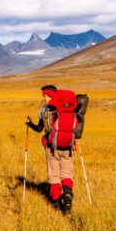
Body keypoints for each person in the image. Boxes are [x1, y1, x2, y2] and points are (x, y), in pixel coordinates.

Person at [25, 84, 75, 212]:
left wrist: (29, 124)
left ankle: (57, 203)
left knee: (54, 174)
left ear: (50, 95)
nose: (43, 98)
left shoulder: (45, 110)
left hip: (51, 147)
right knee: (66, 173)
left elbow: (39, 129)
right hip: (68, 146)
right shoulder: (68, 109)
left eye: (44, 95)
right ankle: (68, 196)